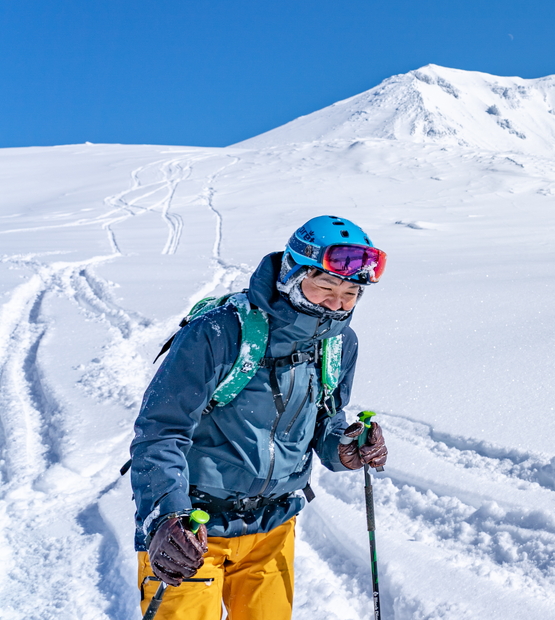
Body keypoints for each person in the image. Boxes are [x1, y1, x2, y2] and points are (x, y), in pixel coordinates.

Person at [129, 216, 391, 619]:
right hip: (194, 530)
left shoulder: (340, 343)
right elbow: (160, 433)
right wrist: (167, 515)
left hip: (272, 529)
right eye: (324, 287)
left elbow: (326, 418)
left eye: (350, 292)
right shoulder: (219, 332)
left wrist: (347, 446)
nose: (337, 303)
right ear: (291, 274)